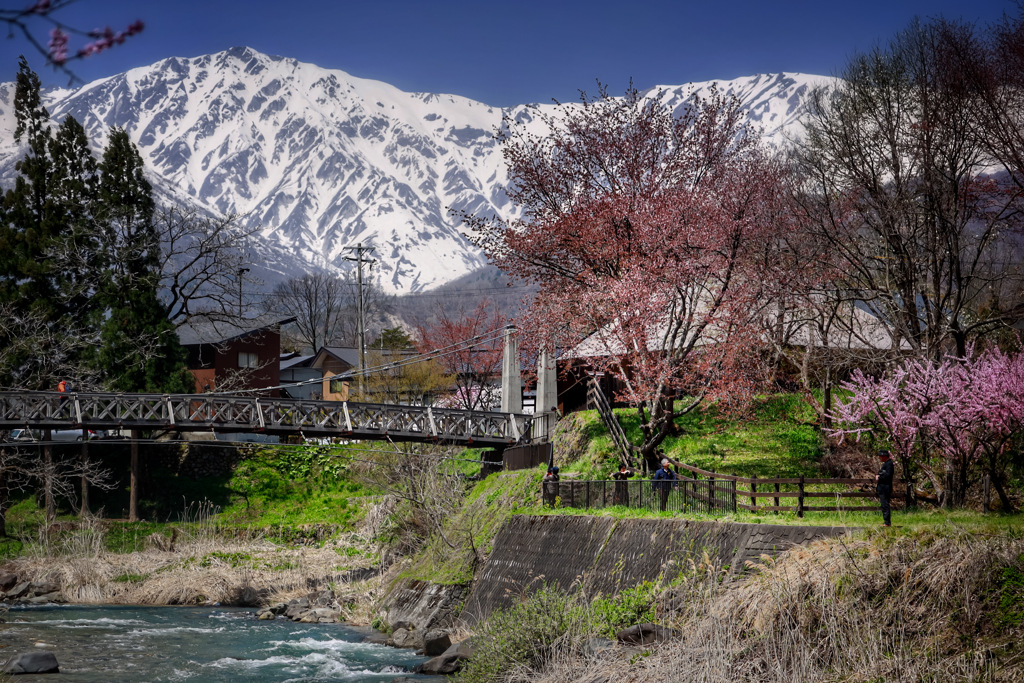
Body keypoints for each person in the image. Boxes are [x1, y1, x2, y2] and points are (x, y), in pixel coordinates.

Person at [875, 449, 895, 527]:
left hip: (885, 488)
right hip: (883, 488)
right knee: (884, 505)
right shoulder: (886, 464)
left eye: (880, 456)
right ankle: (886, 522)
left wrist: (879, 477)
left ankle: (887, 522)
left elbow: (888, 475)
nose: (880, 458)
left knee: (885, 505)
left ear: (884, 456)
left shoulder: (889, 464)